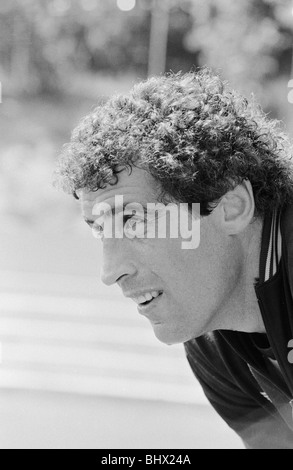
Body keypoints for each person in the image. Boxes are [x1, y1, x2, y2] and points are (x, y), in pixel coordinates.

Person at [54, 68, 293, 449]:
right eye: (99, 228)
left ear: (232, 207)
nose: (110, 271)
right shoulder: (211, 344)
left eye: (132, 219)